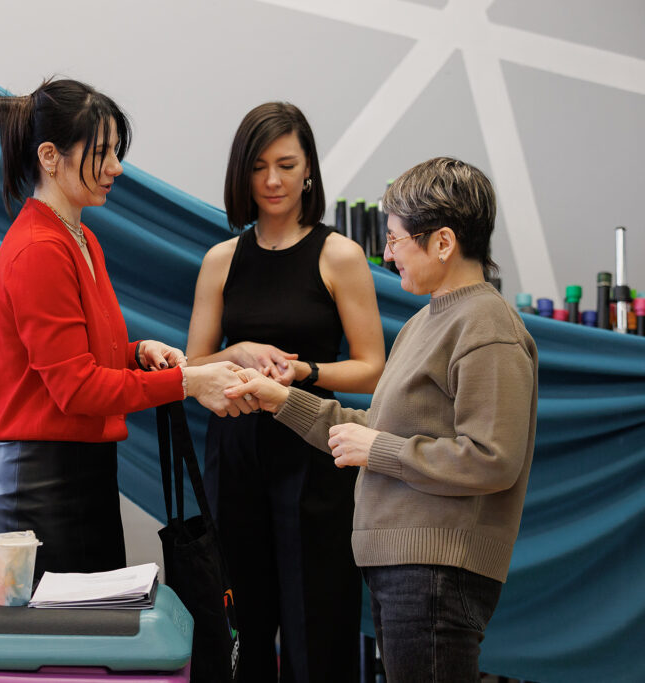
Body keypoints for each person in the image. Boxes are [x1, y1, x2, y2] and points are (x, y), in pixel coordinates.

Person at [225, 157, 538, 682]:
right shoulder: (426, 321)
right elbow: (375, 426)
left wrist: (379, 451)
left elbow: (493, 458)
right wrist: (281, 400)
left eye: (395, 240)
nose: (387, 254)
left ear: (443, 242)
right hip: (407, 568)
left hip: (435, 571)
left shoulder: (486, 325)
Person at [0, 78, 250, 580]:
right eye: (101, 153)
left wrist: (136, 352)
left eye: (116, 152)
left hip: (86, 476)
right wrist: (187, 382)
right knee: (65, 632)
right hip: (40, 494)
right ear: (49, 157)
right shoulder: (40, 249)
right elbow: (76, 388)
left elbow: (79, 357)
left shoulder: (80, 240)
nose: (116, 167)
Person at [185, 102, 385, 682]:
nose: (272, 180)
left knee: (317, 625)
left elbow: (374, 369)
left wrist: (305, 373)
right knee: (238, 625)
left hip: (315, 453)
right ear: (242, 174)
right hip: (234, 457)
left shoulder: (339, 255)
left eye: (286, 165)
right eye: (259, 167)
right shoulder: (221, 261)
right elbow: (192, 367)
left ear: (309, 171)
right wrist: (238, 352)